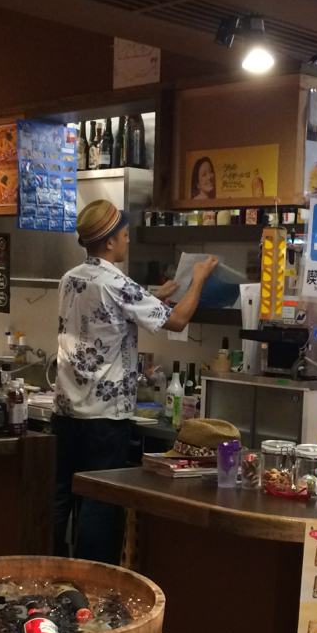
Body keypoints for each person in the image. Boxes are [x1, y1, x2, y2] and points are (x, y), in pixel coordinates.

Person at [53, 200, 217, 563]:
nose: (128, 241)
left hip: (65, 413)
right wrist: (199, 279)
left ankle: (51, 570)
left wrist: (153, 296)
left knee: (61, 495)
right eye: (125, 235)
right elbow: (178, 321)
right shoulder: (118, 283)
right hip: (105, 419)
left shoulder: (70, 278)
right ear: (110, 242)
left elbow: (107, 313)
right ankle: (93, 578)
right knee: (100, 500)